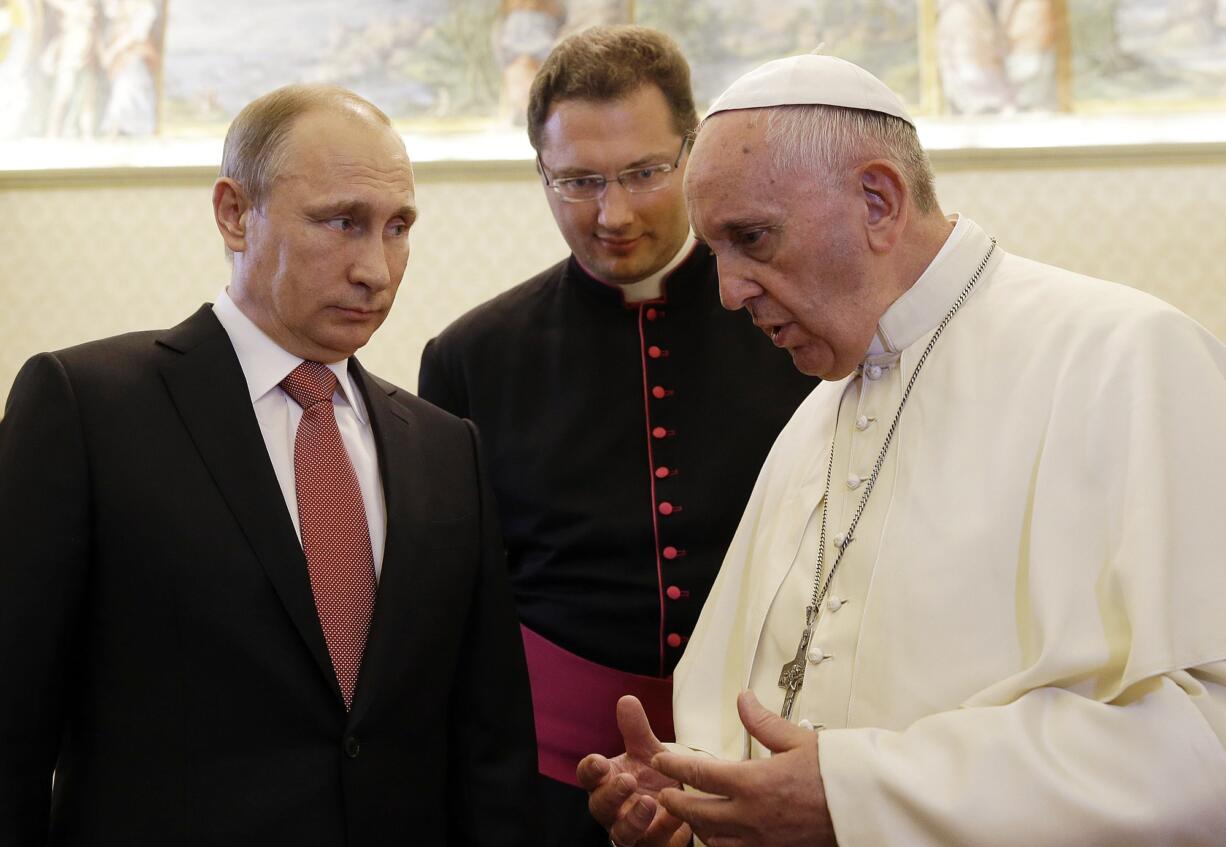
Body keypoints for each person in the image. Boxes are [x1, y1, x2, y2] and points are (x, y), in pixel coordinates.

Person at [580, 53, 1226, 847]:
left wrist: (857, 795)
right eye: (718, 253)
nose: (729, 291)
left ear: (878, 200)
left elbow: (1207, 740)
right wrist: (703, 801)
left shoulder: (1126, 358)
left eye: (753, 238)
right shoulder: (813, 422)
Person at [0, 84, 537, 846]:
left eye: (398, 228)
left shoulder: (447, 447)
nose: (377, 270)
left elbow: (491, 747)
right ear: (233, 212)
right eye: (342, 222)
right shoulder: (86, 409)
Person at [417, 25, 816, 847]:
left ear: (694, 150)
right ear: (540, 174)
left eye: (644, 172)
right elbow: (461, 609)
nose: (614, 213)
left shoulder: (797, 324)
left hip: (769, 764)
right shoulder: (469, 357)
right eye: (577, 181)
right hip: (552, 781)